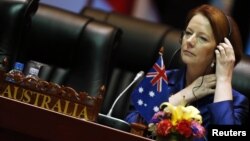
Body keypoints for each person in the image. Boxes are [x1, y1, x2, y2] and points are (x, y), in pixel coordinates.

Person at [125, 4, 249, 140]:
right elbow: (133, 126)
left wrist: (224, 81)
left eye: (202, 38)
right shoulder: (162, 79)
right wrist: (184, 95)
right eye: (188, 33)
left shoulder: (236, 102)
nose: (189, 41)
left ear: (219, 52)